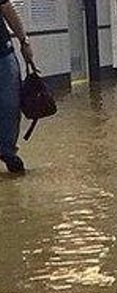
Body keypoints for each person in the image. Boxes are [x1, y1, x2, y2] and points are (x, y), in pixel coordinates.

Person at [0, 0, 33, 174]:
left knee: (11, 105)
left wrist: (24, 42)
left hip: (2, 55)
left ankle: (7, 151)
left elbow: (8, 10)